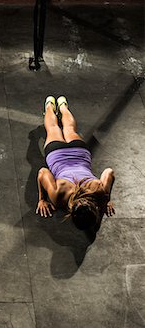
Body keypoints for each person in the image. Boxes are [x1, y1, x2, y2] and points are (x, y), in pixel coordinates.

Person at [36, 96, 115, 231]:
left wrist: (106, 199)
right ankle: (50, 105)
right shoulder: (58, 196)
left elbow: (109, 172)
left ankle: (62, 105)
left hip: (79, 151)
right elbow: (42, 172)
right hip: (57, 154)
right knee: (53, 128)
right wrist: (42, 199)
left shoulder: (99, 191)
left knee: (70, 129)